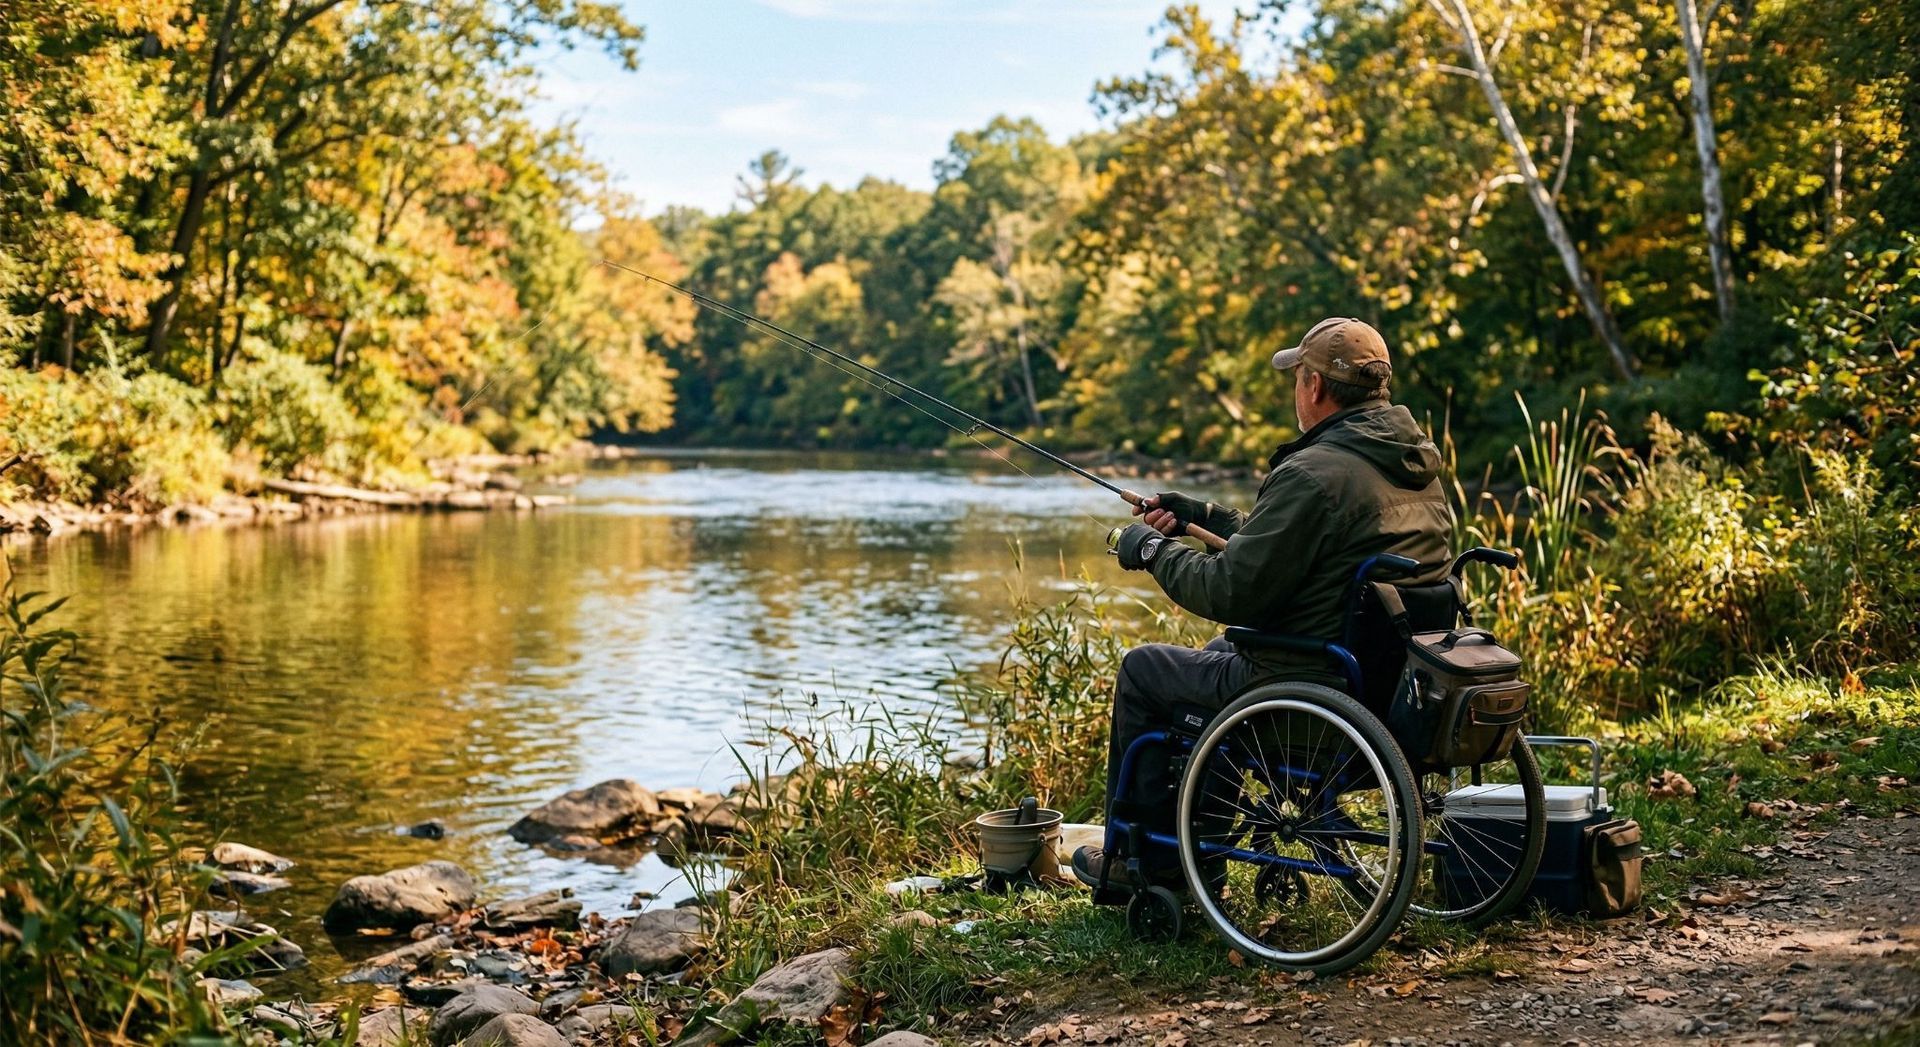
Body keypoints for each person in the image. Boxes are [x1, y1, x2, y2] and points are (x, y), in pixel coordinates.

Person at [1071, 316, 1454, 889]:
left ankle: (1146, 868)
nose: (1296, 389)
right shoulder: (1415, 466)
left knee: (1145, 671)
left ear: (1316, 387)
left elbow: (1231, 590)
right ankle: (1200, 852)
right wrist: (1204, 516)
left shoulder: (1313, 473)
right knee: (1214, 653)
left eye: (1298, 376)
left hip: (1316, 696)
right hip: (1400, 694)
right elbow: (1296, 550)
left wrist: (1152, 550)